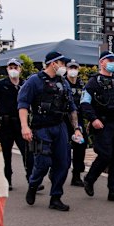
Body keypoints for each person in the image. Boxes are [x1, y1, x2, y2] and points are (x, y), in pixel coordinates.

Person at [18, 51, 83, 211]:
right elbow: (23, 104)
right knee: (43, 162)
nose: (64, 66)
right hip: (41, 127)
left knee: (63, 162)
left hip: (59, 127)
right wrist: (25, 126)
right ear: (52, 63)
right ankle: (33, 185)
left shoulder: (63, 82)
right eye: (61, 63)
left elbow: (71, 108)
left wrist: (76, 129)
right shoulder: (34, 81)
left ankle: (56, 197)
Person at [81, 50, 114, 203]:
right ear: (101, 62)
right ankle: (90, 179)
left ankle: (113, 191)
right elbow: (85, 104)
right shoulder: (93, 82)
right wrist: (93, 119)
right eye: (109, 60)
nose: (112, 63)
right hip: (102, 125)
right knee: (105, 155)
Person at [0, 58, 36, 191]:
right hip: (5, 124)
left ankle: (32, 180)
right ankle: (7, 180)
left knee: (28, 152)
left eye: (16, 67)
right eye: (10, 67)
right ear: (7, 69)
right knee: (5, 154)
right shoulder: (0, 85)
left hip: (20, 124)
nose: (13, 70)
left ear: (20, 69)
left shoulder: (25, 84)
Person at [64, 59, 87, 187]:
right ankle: (56, 171)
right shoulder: (62, 84)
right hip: (64, 122)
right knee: (64, 150)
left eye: (75, 67)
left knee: (80, 148)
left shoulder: (82, 85)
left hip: (79, 121)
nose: (73, 70)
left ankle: (76, 176)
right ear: (67, 69)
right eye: (70, 67)